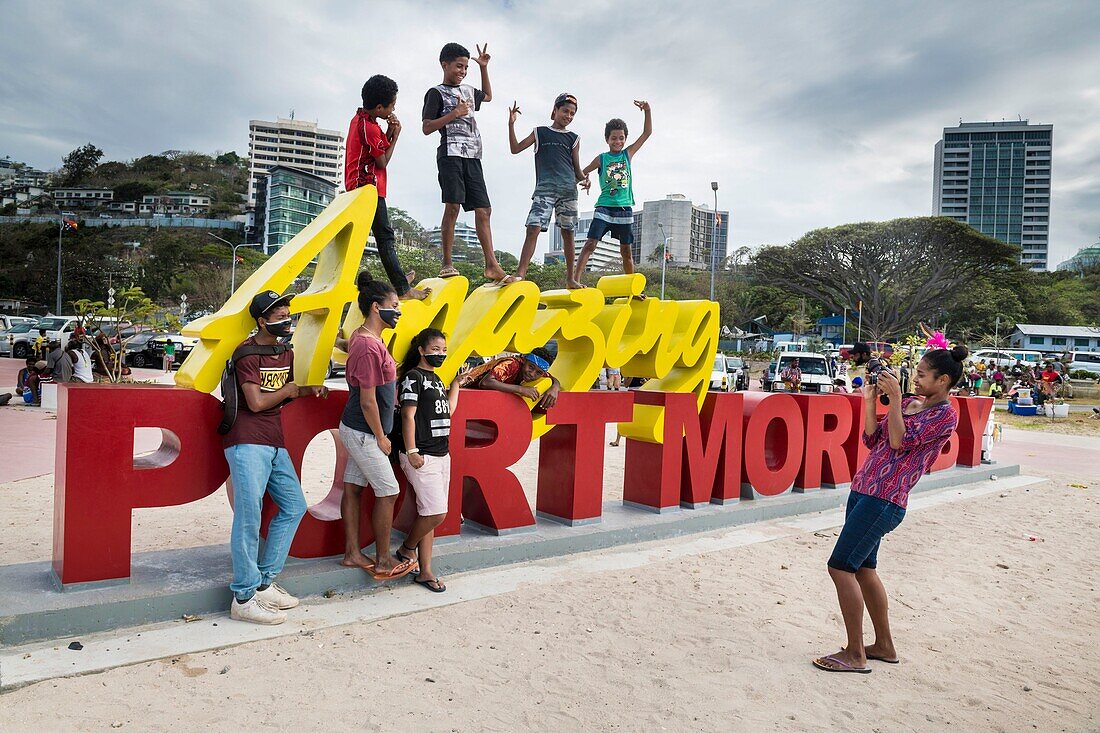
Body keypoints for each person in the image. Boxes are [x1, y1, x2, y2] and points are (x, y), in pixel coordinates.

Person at [813, 346, 964, 674]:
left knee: (840, 568)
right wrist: (870, 402)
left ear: (943, 381)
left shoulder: (944, 415)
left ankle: (855, 654)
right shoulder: (913, 405)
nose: (916, 379)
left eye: (923, 375)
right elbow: (872, 439)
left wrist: (895, 401)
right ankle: (883, 646)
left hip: (885, 499)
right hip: (864, 491)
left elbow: (898, 441)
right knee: (864, 569)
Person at [224, 290, 326, 625]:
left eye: (287, 312)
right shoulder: (246, 355)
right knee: (249, 516)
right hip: (246, 441)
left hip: (274, 441)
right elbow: (255, 402)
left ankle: (265, 581)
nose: (286, 319)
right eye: (278, 315)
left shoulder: (286, 351)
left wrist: (306, 390)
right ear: (261, 321)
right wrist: (288, 390)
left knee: (294, 505)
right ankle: (243, 596)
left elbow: (285, 393)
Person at [338, 271, 416, 582]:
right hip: (365, 432)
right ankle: (384, 561)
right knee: (388, 490)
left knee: (354, 489)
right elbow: (369, 401)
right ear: (375, 307)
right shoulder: (369, 346)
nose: (399, 311)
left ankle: (351, 553)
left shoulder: (364, 337)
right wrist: (382, 438)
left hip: (360, 429)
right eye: (394, 305)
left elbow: (349, 346)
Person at [422, 42, 513, 285]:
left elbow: (489, 96)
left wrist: (483, 67)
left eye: (465, 67)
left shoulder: (470, 91)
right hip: (450, 154)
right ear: (445, 65)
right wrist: (454, 114)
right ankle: (447, 263)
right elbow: (427, 127)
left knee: (484, 210)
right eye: (458, 66)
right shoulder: (436, 93)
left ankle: (492, 266)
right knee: (452, 206)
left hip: (473, 156)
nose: (462, 71)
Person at [346, 75, 428, 301]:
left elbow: (380, 148)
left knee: (384, 238)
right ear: (380, 107)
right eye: (392, 105)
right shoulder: (370, 128)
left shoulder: (363, 120)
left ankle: (399, 279)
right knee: (385, 238)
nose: (394, 108)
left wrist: (390, 132)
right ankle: (403, 289)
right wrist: (397, 135)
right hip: (367, 187)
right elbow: (382, 161)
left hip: (364, 186)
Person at [395, 328, 463, 593]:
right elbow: (407, 416)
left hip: (441, 454)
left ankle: (425, 572)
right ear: (422, 350)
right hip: (421, 455)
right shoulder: (414, 377)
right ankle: (406, 548)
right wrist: (411, 451)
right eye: (435, 349)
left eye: (444, 350)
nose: (440, 354)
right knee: (437, 513)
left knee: (429, 514)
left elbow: (449, 410)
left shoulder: (435, 379)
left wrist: (456, 385)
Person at [509, 93, 586, 284]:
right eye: (565, 111)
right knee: (533, 227)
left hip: (568, 190)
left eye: (572, 113)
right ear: (555, 111)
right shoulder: (540, 132)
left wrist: (586, 179)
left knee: (568, 233)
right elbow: (515, 148)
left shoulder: (574, 138)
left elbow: (577, 169)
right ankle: (520, 273)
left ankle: (570, 279)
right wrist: (511, 125)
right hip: (545, 190)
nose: (568, 116)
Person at [574, 101, 653, 287]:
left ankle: (631, 288)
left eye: (621, 138)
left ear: (625, 139)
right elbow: (581, 173)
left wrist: (647, 111)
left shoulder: (628, 154)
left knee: (626, 251)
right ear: (607, 139)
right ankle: (574, 281)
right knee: (590, 244)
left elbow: (647, 133)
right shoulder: (602, 158)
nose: (618, 142)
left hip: (624, 210)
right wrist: (586, 179)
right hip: (604, 208)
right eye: (614, 138)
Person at [459, 347, 561, 410]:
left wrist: (555, 388)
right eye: (531, 367)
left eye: (538, 372)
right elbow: (485, 382)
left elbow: (552, 378)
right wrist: (521, 389)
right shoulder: (512, 364)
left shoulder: (540, 373)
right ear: (524, 360)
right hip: (462, 391)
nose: (532, 374)